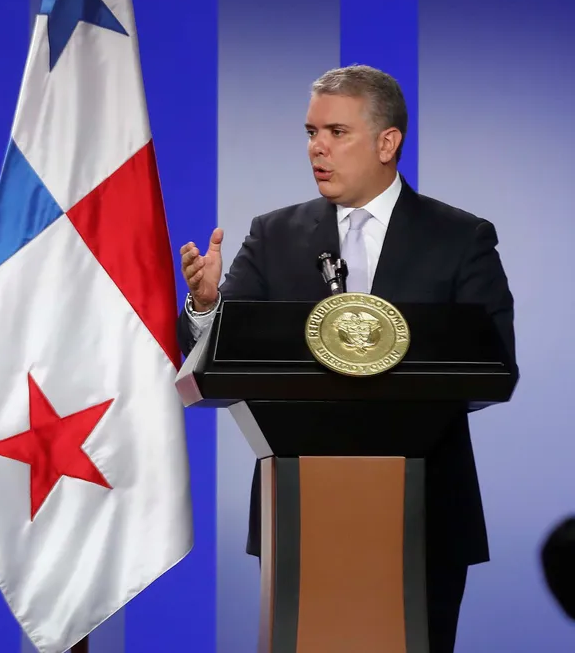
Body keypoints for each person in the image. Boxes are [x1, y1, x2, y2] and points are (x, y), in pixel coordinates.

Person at [177, 64, 515, 653]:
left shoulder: (460, 237)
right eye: (312, 132)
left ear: (388, 143)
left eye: (337, 132)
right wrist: (207, 307)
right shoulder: (273, 235)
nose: (318, 148)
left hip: (426, 511)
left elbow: (495, 361)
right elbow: (218, 355)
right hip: (300, 513)